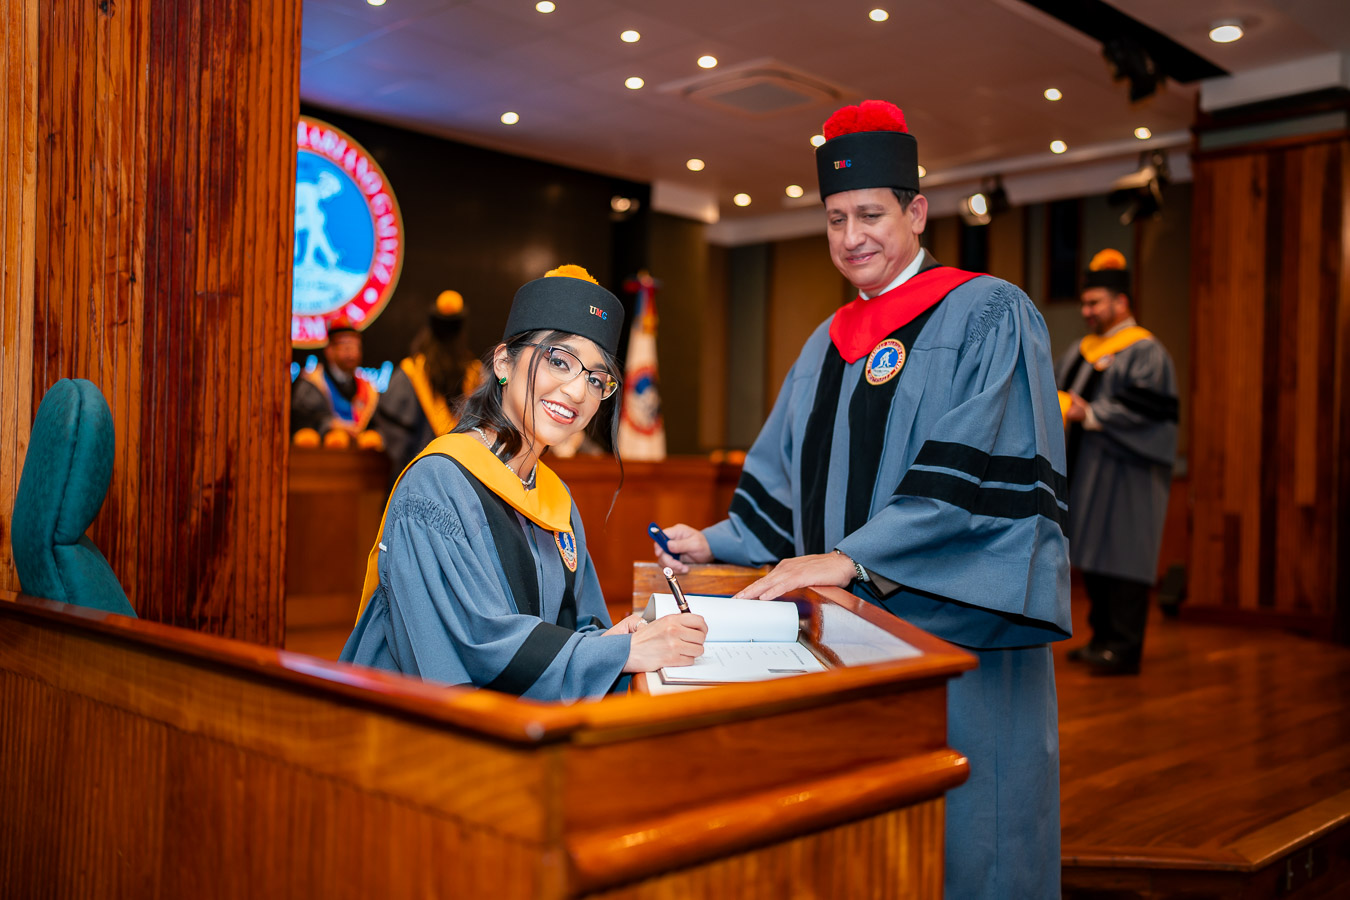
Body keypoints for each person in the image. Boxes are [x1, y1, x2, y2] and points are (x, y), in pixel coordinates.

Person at [654, 100, 1071, 899]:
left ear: (916, 212)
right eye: (836, 218)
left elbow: (982, 475)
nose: (852, 237)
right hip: (848, 640)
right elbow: (784, 488)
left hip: (955, 642)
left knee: (971, 836)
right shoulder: (826, 343)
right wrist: (714, 541)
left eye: (871, 215)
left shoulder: (988, 313)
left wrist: (852, 559)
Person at [340, 265, 707, 701]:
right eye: (559, 361)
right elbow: (473, 646)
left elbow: (578, 622)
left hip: (526, 723)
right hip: (419, 726)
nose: (577, 392)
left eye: (596, 379)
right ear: (503, 363)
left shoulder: (554, 498)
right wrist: (618, 653)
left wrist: (611, 642)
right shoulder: (437, 485)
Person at [1056, 249, 1178, 675]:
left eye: (1095, 303)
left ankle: (1123, 647)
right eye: (1084, 303)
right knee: (1094, 557)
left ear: (1121, 302)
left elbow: (1151, 411)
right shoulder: (1082, 350)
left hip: (1129, 473)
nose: (1086, 311)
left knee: (1124, 557)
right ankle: (1101, 639)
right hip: (1089, 472)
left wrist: (1091, 412)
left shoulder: (1145, 351)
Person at [374, 289, 484, 480]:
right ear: (461, 332)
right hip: (463, 477)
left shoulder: (409, 372)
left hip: (416, 476)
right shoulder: (478, 374)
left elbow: (394, 435)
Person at [290, 320, 383, 449]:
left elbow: (376, 424)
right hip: (322, 456)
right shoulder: (312, 382)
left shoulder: (367, 387)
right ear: (329, 351)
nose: (351, 354)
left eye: (355, 347)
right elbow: (304, 420)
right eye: (346, 348)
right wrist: (331, 425)